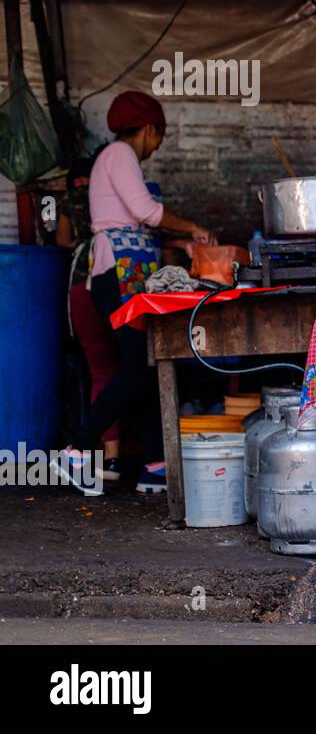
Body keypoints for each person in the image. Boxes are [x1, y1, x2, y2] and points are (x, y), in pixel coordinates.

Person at [51, 91, 214, 496]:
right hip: (116, 276)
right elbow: (146, 212)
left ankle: (154, 465)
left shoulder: (113, 160)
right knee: (138, 367)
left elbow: (138, 221)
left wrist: (183, 244)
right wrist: (191, 227)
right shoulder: (120, 155)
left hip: (124, 275)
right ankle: (76, 449)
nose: (157, 145)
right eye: (159, 135)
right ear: (147, 129)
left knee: (146, 364)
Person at [56, 154, 122, 482]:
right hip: (115, 281)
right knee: (131, 367)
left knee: (101, 371)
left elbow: (61, 241)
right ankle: (125, 459)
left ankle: (107, 455)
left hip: (84, 282)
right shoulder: (113, 197)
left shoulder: (70, 200)